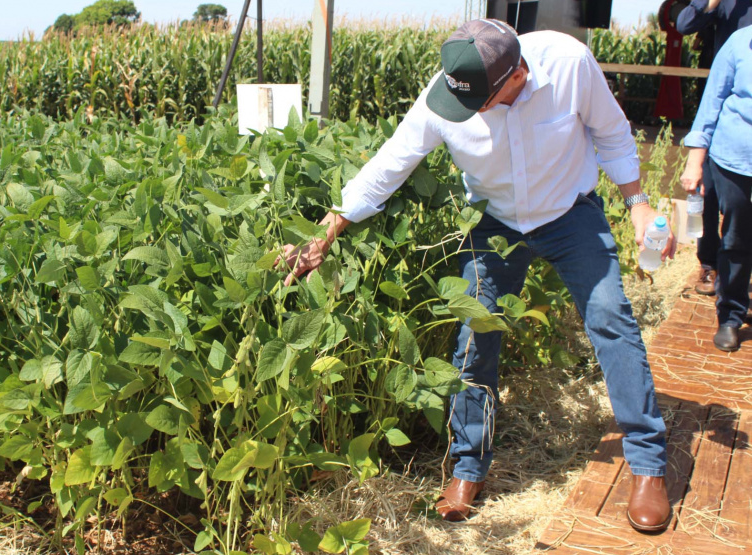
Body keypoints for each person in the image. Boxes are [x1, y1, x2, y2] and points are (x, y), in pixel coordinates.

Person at [279, 19, 675, 532]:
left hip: (570, 212)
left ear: (515, 78)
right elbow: (390, 163)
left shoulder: (568, 65)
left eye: (475, 104)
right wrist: (325, 233)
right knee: (474, 335)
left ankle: (647, 464)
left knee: (609, 318)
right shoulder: (450, 92)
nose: (460, 112)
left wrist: (637, 205)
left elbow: (613, 134)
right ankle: (468, 466)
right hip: (494, 223)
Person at [680, 26, 752, 351]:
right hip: (734, 159)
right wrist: (695, 162)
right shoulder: (739, 43)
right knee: (736, 236)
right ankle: (731, 317)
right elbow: (711, 104)